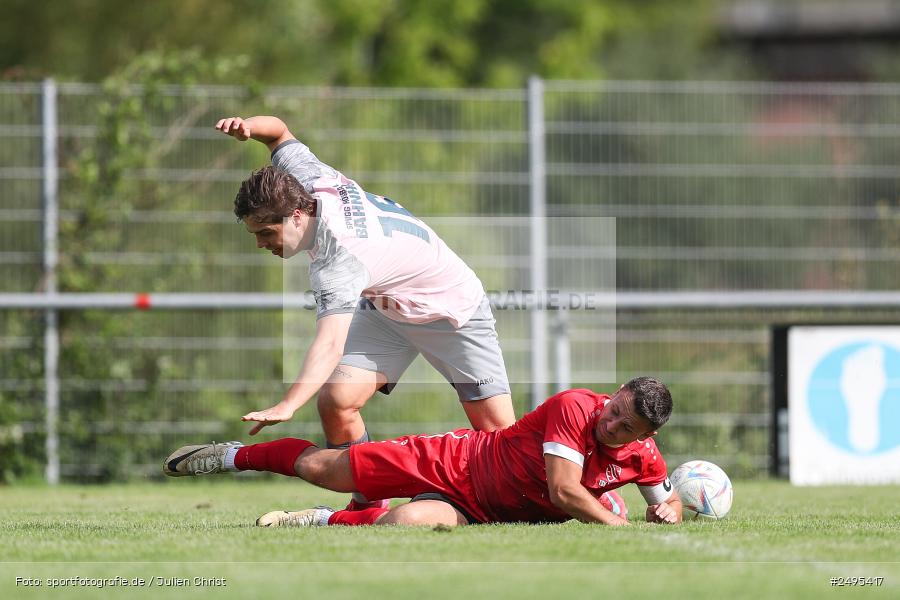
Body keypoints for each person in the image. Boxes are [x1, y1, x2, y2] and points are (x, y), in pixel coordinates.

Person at [213, 116, 516, 509]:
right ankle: (367, 505)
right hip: (387, 306)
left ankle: (559, 496)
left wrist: (288, 405)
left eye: (266, 233)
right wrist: (249, 127)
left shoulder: (339, 258)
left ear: (297, 217)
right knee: (337, 402)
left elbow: (329, 345)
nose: (260, 245)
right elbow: (280, 133)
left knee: (503, 439)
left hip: (451, 311)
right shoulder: (307, 177)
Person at [164, 377, 682, 527]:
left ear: (642, 436)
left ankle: (322, 523)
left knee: (401, 527)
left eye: (623, 426)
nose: (609, 423)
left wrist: (671, 507)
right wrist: (617, 524)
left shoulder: (644, 457)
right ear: (613, 395)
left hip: (478, 512)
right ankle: (233, 457)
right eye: (613, 409)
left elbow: (664, 500)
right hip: (456, 462)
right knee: (326, 469)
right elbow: (564, 491)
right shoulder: (575, 406)